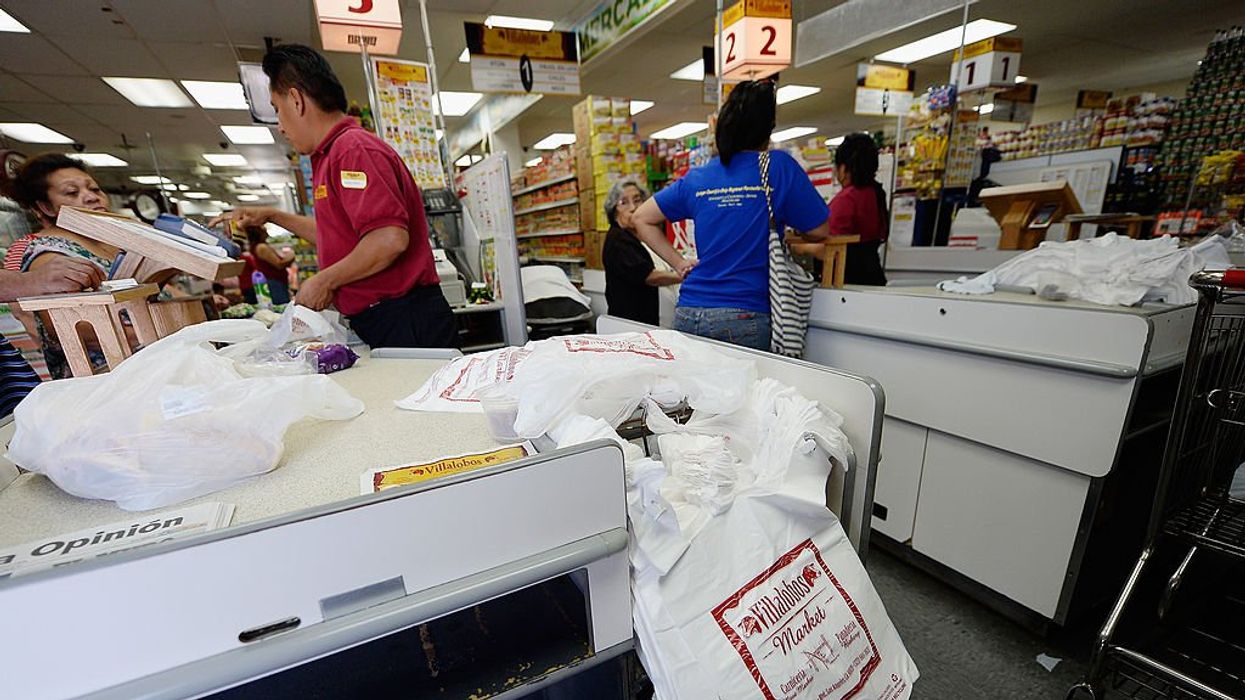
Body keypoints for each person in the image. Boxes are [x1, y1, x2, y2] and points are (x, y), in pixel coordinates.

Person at [211, 44, 456, 349]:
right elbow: (339, 236)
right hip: (387, 319)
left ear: (296, 100)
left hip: (405, 319)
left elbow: (388, 239)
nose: (280, 126)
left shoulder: (353, 150)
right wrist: (273, 215)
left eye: (277, 108)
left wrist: (324, 281)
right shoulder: (331, 156)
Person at [632, 80, 829, 351]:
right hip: (745, 313)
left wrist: (678, 263)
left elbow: (641, 218)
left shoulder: (699, 176)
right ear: (767, 127)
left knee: (694, 393)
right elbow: (820, 230)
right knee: (745, 393)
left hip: (690, 311)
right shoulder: (778, 167)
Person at [4, 154, 120, 378]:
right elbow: (69, 326)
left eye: (94, 189)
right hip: (106, 377)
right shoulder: (47, 252)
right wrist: (140, 335)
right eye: (72, 192)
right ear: (45, 206)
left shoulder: (114, 242)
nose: (90, 198)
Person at [601, 178, 681, 326]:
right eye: (623, 202)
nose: (633, 208)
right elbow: (649, 276)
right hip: (629, 325)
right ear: (614, 210)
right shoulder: (618, 239)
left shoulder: (639, 235)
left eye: (638, 200)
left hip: (642, 322)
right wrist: (681, 275)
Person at [829, 133, 889, 285]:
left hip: (847, 280)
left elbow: (831, 248)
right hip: (874, 276)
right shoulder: (876, 192)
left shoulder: (846, 199)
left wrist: (803, 248)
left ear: (843, 168)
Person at [245, 224, 293, 305]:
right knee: (281, 306)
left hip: (274, 281)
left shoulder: (258, 246)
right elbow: (279, 264)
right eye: (263, 227)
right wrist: (292, 254)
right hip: (274, 282)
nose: (265, 229)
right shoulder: (261, 247)